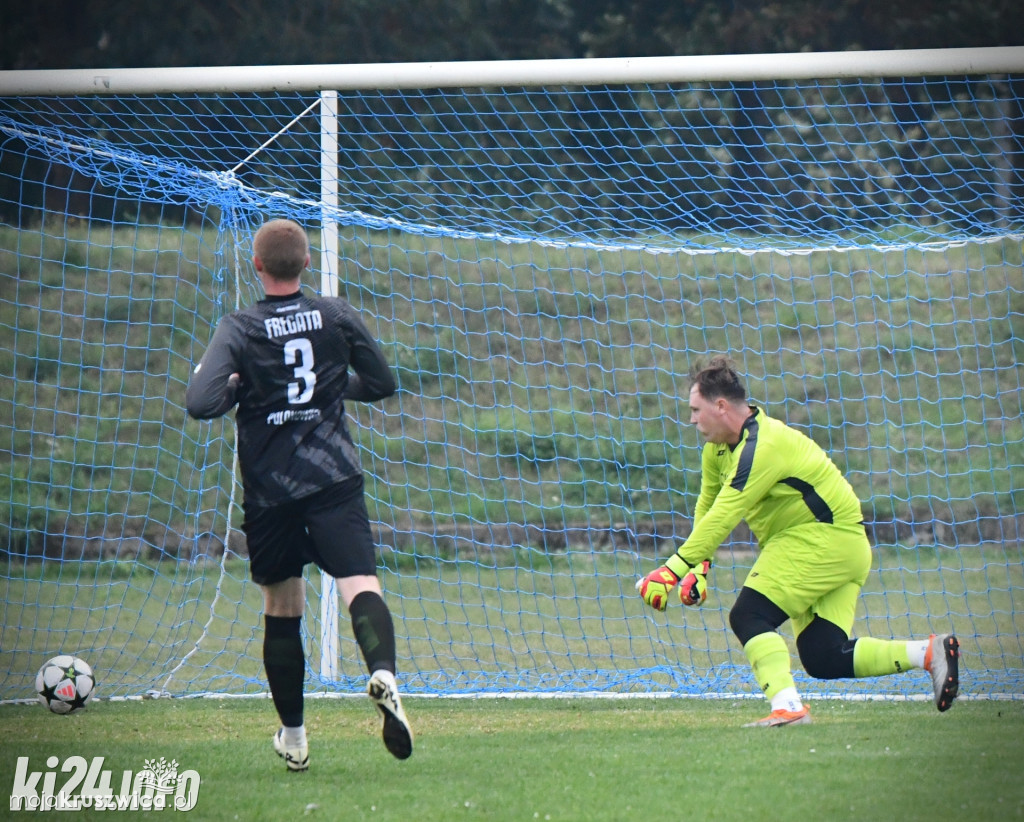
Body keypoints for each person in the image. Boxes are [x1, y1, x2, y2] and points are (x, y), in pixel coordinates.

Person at [186, 218, 413, 768]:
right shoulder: (335, 314)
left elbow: (200, 401)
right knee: (359, 583)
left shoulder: (239, 327)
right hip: (333, 478)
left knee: (282, 606)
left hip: (271, 490)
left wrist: (243, 387)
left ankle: (294, 737)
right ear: (307, 262)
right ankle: (382, 672)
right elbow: (382, 383)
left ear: (257, 266)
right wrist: (334, 388)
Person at [637, 355, 959, 726]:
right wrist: (700, 568)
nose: (692, 419)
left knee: (749, 615)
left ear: (720, 406)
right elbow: (707, 507)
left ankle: (787, 708)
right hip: (839, 547)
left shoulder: (763, 446)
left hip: (820, 540)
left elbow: (725, 516)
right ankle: (929, 654)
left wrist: (671, 570)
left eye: (695, 409)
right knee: (823, 656)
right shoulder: (717, 450)